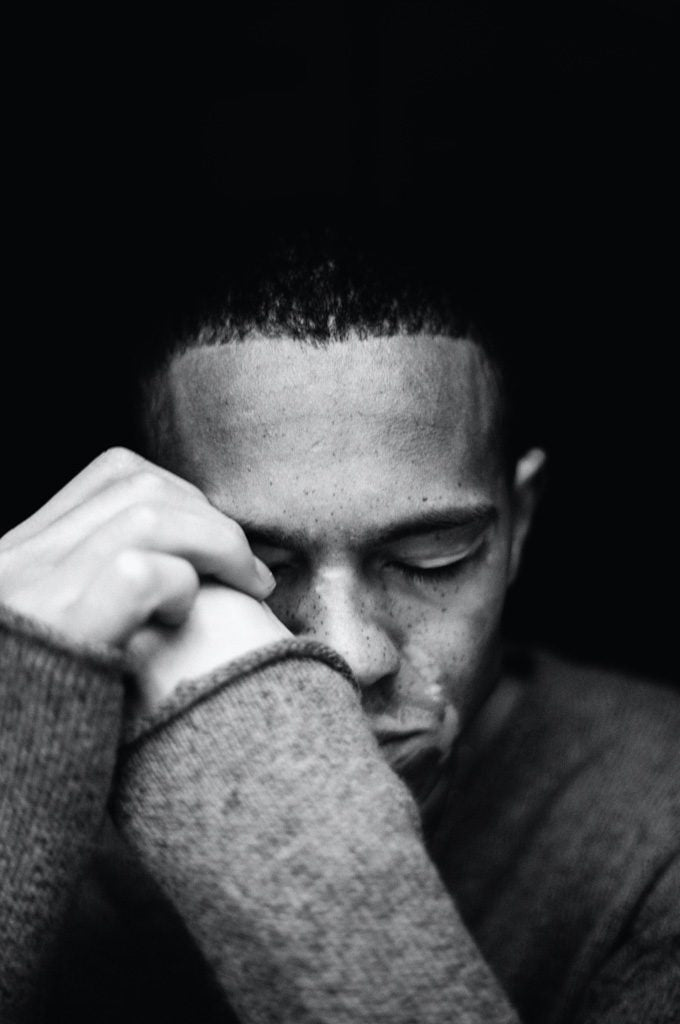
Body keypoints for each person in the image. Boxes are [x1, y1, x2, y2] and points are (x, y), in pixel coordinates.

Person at [1, 237, 678, 1024]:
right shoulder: (34, 761)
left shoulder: (657, 832)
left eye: (433, 558)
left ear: (520, 523)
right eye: (256, 561)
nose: (350, 654)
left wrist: (280, 815)